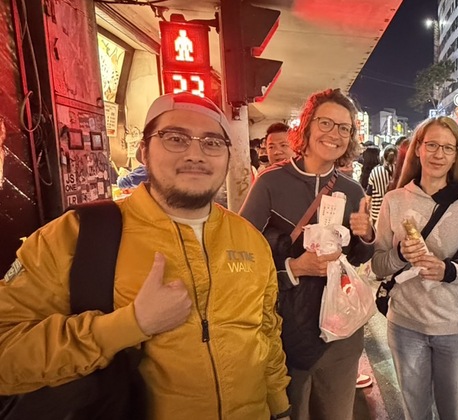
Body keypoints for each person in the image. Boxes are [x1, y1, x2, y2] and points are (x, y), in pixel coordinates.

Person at [0, 92, 291, 419]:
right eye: (175, 138)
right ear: (143, 151)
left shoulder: (250, 239)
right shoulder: (75, 236)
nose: (195, 154)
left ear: (227, 157)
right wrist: (130, 324)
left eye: (212, 143)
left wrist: (279, 407)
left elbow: (266, 333)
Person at [239, 88, 374, 420]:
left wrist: (366, 235)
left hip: (340, 332)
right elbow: (240, 255)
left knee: (336, 413)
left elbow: (356, 259)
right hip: (286, 329)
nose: (335, 134)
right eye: (326, 123)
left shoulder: (352, 189)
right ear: (307, 127)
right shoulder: (271, 183)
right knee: (292, 411)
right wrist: (292, 268)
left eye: (345, 128)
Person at [371, 116, 458, 420]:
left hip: (456, 328)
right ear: (418, 149)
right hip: (405, 326)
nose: (439, 154)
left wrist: (449, 272)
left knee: (457, 413)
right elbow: (377, 265)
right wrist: (400, 253)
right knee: (417, 413)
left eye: (448, 148)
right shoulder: (394, 200)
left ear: (457, 155)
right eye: (432, 145)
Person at [367, 144, 396, 225]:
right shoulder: (400, 172)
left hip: (377, 214)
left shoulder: (375, 171)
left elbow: (369, 195)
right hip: (394, 214)